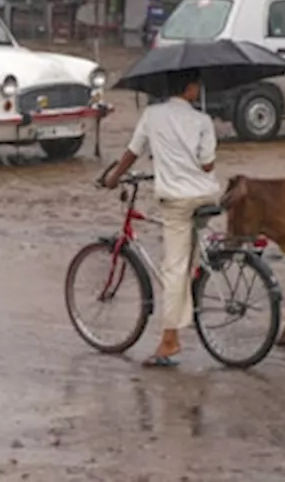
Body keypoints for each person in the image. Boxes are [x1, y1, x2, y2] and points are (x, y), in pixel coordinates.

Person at [103, 70, 221, 368]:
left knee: (174, 268)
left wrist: (114, 177)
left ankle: (170, 340)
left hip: (177, 202)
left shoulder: (152, 115)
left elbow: (132, 152)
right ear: (191, 88)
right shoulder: (203, 121)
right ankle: (189, 300)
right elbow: (208, 165)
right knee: (188, 261)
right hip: (206, 196)